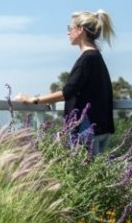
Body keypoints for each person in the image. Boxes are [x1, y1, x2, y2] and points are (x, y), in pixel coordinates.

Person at [15, 10, 115, 154]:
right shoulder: (96, 57)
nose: (68, 33)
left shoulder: (87, 59)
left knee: (83, 174)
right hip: (101, 126)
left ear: (80, 30)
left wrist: (33, 99)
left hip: (86, 128)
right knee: (94, 173)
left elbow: (67, 92)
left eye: (70, 28)